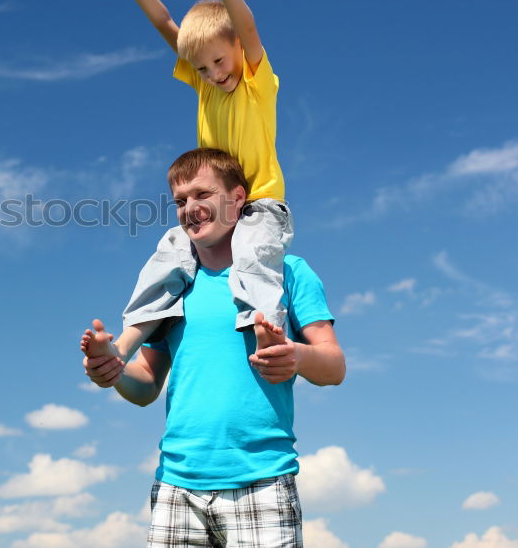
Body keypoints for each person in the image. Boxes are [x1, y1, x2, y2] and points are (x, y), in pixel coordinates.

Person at [83, 149, 345, 548]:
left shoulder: (288, 272)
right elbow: (147, 385)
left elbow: (334, 366)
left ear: (238, 198)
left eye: (203, 195)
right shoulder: (172, 285)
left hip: (261, 482)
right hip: (176, 488)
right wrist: (113, 370)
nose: (190, 209)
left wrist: (297, 356)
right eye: (180, 201)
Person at [90, 0, 293, 366]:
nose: (214, 74)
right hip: (214, 207)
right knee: (168, 254)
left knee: (252, 252)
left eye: (219, 60)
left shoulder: (255, 83)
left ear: (236, 47)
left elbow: (248, 24)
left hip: (258, 204)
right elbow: (166, 24)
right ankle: (123, 346)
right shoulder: (205, 85)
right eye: (202, 69)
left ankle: (265, 332)